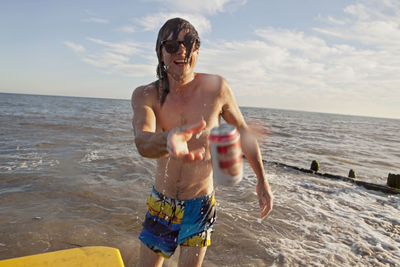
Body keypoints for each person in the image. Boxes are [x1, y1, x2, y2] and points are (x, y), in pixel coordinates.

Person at [131, 17, 273, 267]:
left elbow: (244, 133)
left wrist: (262, 180)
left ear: (198, 49)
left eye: (189, 43)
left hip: (200, 203)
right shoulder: (147, 94)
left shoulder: (217, 88)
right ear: (160, 52)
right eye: (173, 46)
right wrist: (167, 140)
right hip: (162, 203)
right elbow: (143, 142)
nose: (182, 50)